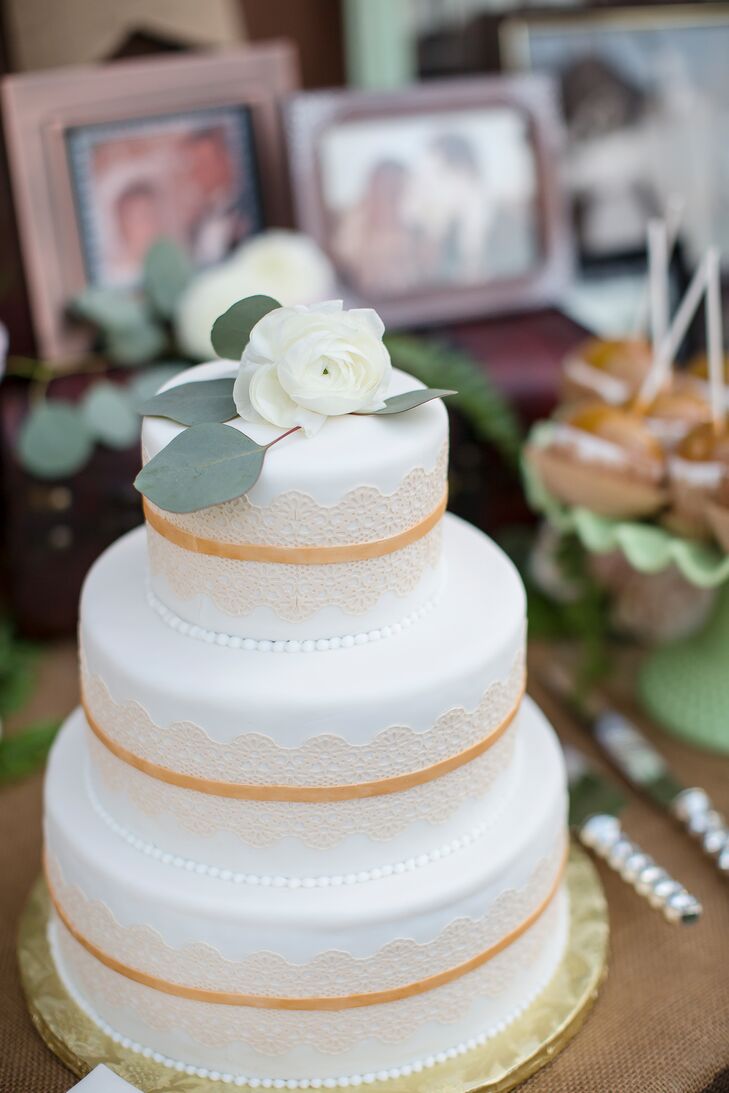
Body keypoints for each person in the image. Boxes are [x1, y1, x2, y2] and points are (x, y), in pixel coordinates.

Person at [331, 159, 420, 294]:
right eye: (389, 187)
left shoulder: (411, 225)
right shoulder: (356, 219)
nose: (394, 194)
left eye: (400, 188)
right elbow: (346, 257)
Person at [182, 127, 251, 264]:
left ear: (225, 161)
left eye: (203, 163)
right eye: (194, 165)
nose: (195, 173)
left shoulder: (247, 210)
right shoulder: (196, 222)